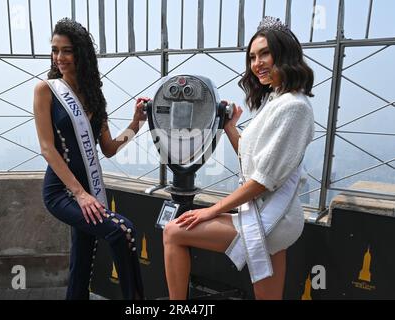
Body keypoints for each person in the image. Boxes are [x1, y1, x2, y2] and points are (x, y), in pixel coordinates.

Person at [163, 16, 315, 300]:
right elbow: (252, 158)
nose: (257, 63)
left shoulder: (294, 107)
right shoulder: (277, 100)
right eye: (252, 57)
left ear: (284, 54)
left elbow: (262, 180)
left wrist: (211, 210)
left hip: (272, 215)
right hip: (271, 211)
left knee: (174, 231)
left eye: (265, 53)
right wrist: (230, 126)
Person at [33, 18, 148, 300]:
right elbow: (47, 149)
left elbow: (108, 148)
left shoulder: (95, 96)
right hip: (63, 192)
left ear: (81, 53)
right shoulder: (46, 90)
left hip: (88, 191)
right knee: (123, 231)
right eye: (55, 50)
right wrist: (81, 195)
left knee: (82, 264)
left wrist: (135, 124)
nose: (59, 57)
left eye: (67, 50)